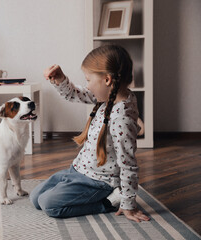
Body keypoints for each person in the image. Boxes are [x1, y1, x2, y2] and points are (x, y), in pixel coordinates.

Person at [30, 44, 150, 223]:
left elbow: (128, 164)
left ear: (107, 80)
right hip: (78, 170)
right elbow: (74, 94)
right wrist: (61, 79)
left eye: (88, 80)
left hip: (99, 182)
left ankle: (110, 201)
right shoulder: (110, 95)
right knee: (36, 198)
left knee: (49, 205)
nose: (87, 86)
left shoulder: (121, 118)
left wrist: (128, 202)